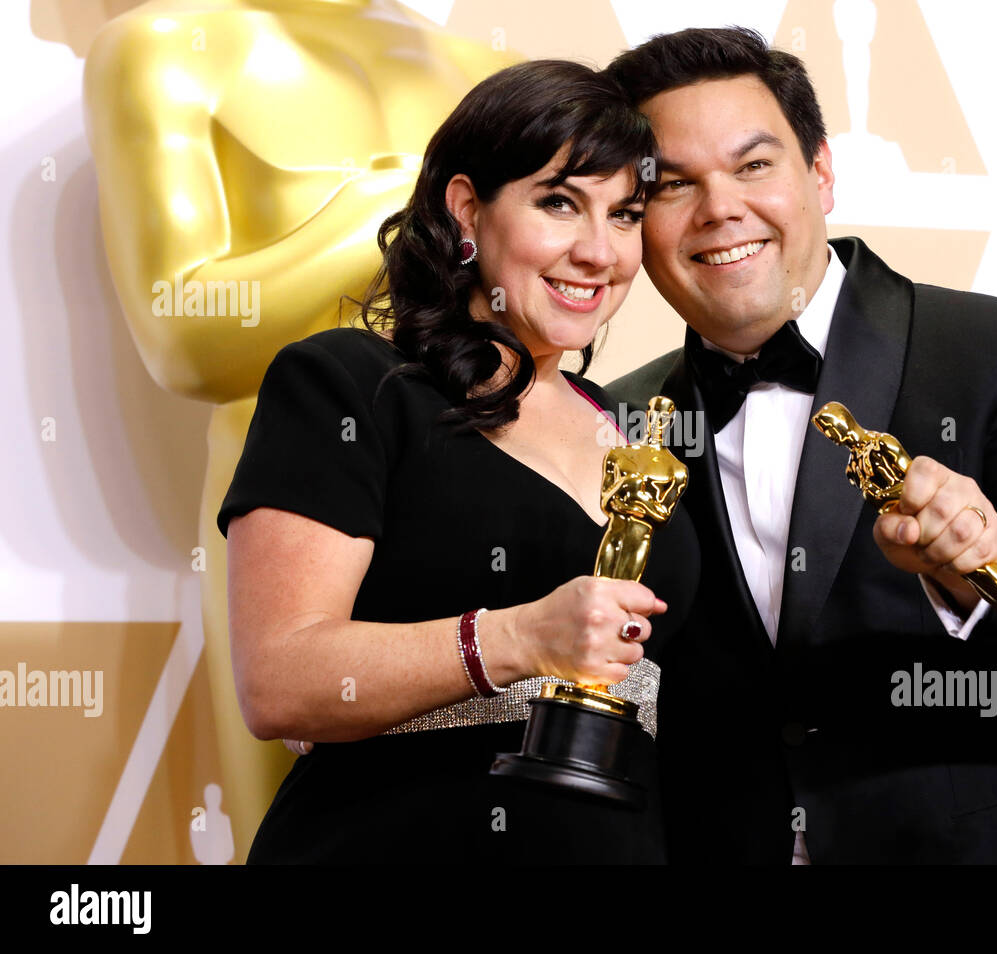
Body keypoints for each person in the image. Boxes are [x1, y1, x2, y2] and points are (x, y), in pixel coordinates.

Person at [605, 28, 997, 864]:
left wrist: (968, 576)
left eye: (755, 165)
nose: (720, 208)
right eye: (675, 184)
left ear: (820, 171)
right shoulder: (619, 418)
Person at [216, 59, 699, 864]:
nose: (597, 251)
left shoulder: (643, 439)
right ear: (468, 207)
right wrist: (514, 638)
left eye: (624, 215)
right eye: (558, 202)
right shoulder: (349, 385)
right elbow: (279, 680)